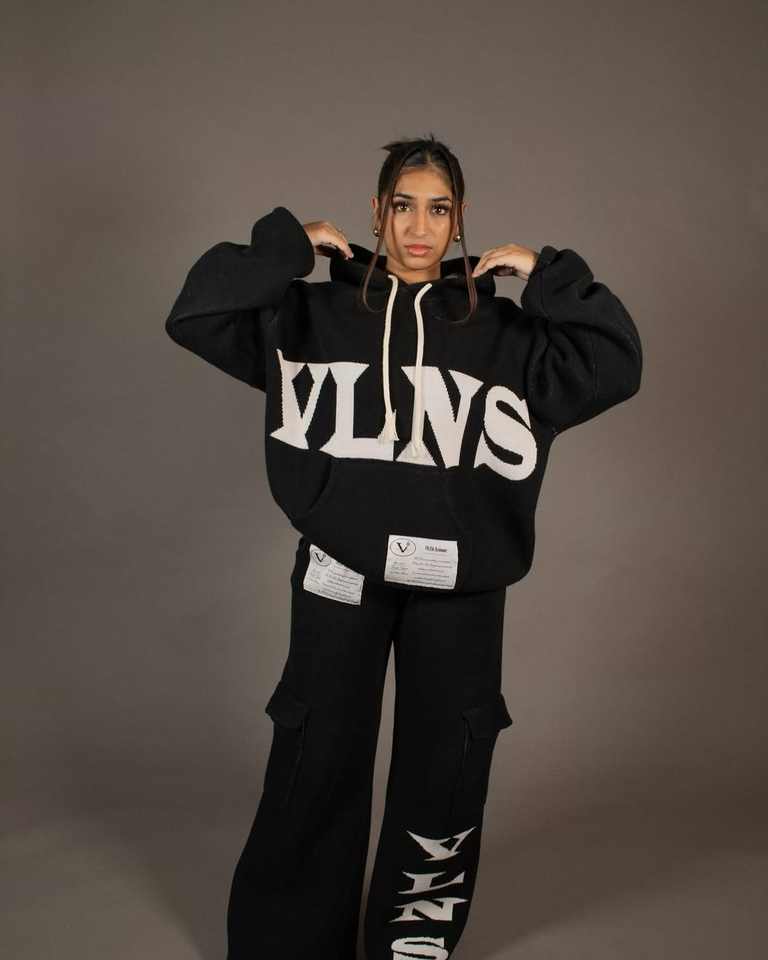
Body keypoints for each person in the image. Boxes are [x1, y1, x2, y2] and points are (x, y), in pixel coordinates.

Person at [164, 134, 642, 960]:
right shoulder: (311, 316)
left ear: (460, 221)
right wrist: (285, 247)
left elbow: (616, 362)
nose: (419, 228)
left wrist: (549, 272)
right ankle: (288, 945)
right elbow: (197, 314)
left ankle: (409, 945)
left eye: (439, 209)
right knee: (316, 756)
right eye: (403, 206)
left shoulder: (504, 333)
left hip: (461, 584)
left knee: (446, 768)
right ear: (376, 212)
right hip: (340, 572)